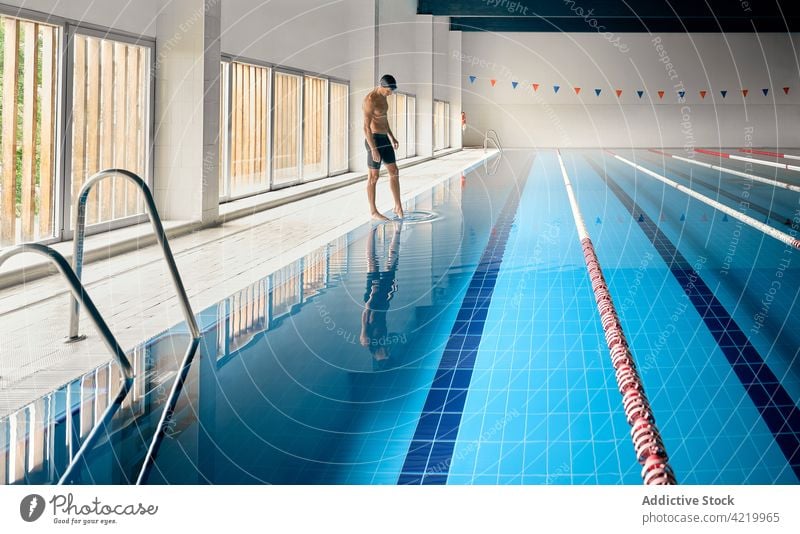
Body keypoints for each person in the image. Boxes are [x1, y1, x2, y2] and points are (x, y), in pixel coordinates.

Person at [361, 222, 401, 369]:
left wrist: (372, 294)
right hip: (384, 300)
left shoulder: (367, 342)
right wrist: (391, 294)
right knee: (392, 263)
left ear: (380, 358)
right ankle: (397, 230)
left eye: (386, 354)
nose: (387, 352)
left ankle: (372, 230)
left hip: (374, 298)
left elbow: (366, 315)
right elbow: (383, 316)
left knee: (372, 262)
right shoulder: (383, 342)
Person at [363, 74, 404, 221]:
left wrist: (391, 137)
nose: (390, 93)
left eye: (392, 90)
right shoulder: (370, 100)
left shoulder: (384, 97)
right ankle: (373, 211)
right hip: (373, 139)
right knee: (374, 176)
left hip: (384, 138)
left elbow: (384, 120)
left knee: (394, 171)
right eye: (389, 90)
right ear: (382, 86)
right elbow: (366, 128)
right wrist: (373, 149)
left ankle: (398, 206)